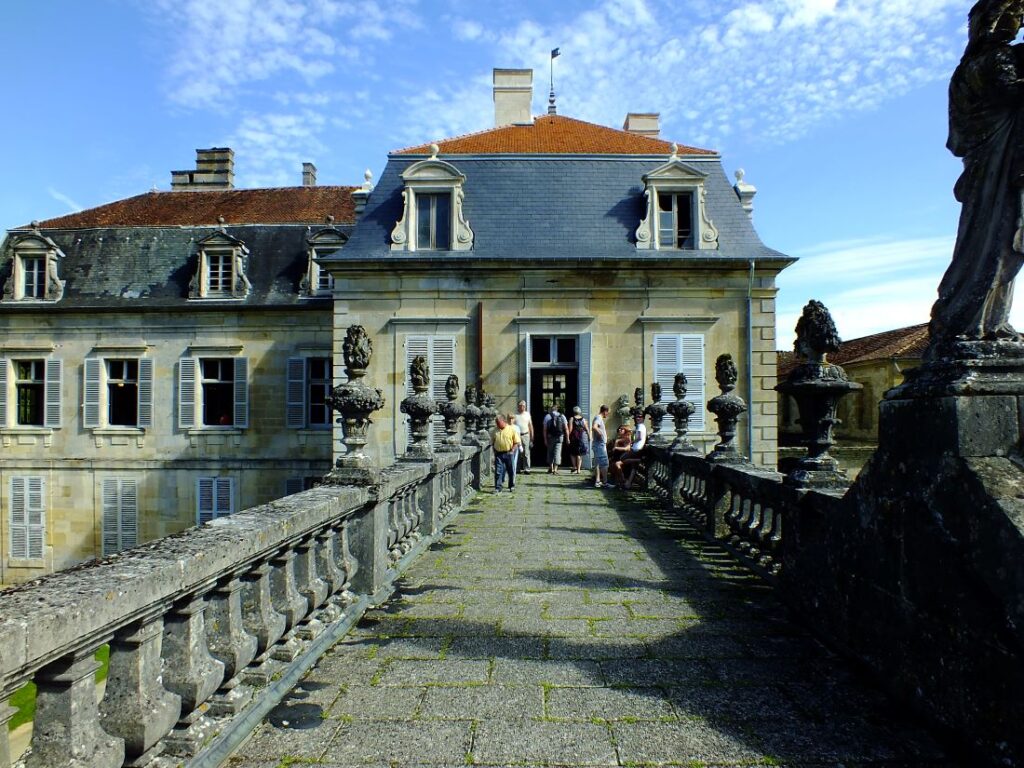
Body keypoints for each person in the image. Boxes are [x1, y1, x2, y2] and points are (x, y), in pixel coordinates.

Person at [928, 0, 1024, 351]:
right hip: (1000, 167)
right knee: (1000, 242)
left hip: (989, 166)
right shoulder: (997, 61)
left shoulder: (966, 69)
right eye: (1011, 15)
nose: (1016, 23)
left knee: (990, 242)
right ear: (991, 22)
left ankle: (987, 319)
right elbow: (1012, 91)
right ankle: (978, 321)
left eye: (1020, 17)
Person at [611, 413, 647, 489]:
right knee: (618, 463)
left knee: (620, 461)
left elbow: (639, 438)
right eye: (636, 417)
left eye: (639, 417)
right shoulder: (638, 427)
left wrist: (632, 442)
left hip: (636, 449)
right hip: (635, 449)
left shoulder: (640, 427)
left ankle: (624, 481)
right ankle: (624, 483)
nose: (637, 418)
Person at [492, 415, 521, 493]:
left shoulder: (511, 430)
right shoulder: (495, 430)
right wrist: (494, 451)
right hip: (498, 453)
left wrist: (512, 450)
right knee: (498, 471)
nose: (497, 424)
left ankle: (511, 485)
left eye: (498, 423)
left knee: (510, 470)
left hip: (508, 453)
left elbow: (516, 442)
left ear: (503, 421)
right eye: (496, 423)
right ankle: (498, 487)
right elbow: (492, 441)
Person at [542, 404, 569, 474]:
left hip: (550, 437)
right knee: (557, 452)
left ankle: (550, 468)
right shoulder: (562, 416)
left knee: (550, 452)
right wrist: (567, 438)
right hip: (560, 436)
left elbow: (544, 429)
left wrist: (545, 439)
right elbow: (566, 428)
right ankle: (555, 469)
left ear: (551, 409)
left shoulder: (547, 416)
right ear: (557, 409)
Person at [591, 405, 610, 487]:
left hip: (597, 444)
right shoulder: (599, 418)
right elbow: (594, 427)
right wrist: (600, 433)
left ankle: (598, 481)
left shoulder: (598, 417)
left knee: (598, 463)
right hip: (600, 444)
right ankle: (605, 482)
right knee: (604, 463)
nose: (607, 414)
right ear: (605, 411)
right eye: (608, 413)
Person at [567, 406, 590, 474]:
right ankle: (579, 469)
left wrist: (567, 437)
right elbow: (587, 428)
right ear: (579, 412)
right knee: (579, 453)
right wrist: (589, 436)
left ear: (573, 412)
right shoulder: (584, 419)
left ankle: (574, 467)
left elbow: (570, 429)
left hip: (574, 436)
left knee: (572, 452)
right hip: (582, 437)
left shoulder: (571, 419)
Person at [513, 400, 534, 474]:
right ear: (518, 406)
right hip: (517, 436)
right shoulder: (515, 415)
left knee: (526, 453)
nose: (522, 407)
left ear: (525, 407)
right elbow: (512, 426)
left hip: (525, 435)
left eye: (523, 405)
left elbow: (530, 426)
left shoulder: (527, 414)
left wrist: (532, 437)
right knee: (517, 453)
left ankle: (527, 469)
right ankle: (517, 468)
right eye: (520, 405)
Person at [507, 412, 523, 478]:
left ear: (514, 419)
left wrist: (520, 446)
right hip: (507, 447)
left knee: (514, 462)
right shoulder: (505, 427)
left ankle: (513, 477)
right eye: (509, 418)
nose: (511, 420)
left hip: (515, 447)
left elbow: (518, 437)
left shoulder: (517, 428)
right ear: (507, 419)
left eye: (512, 418)